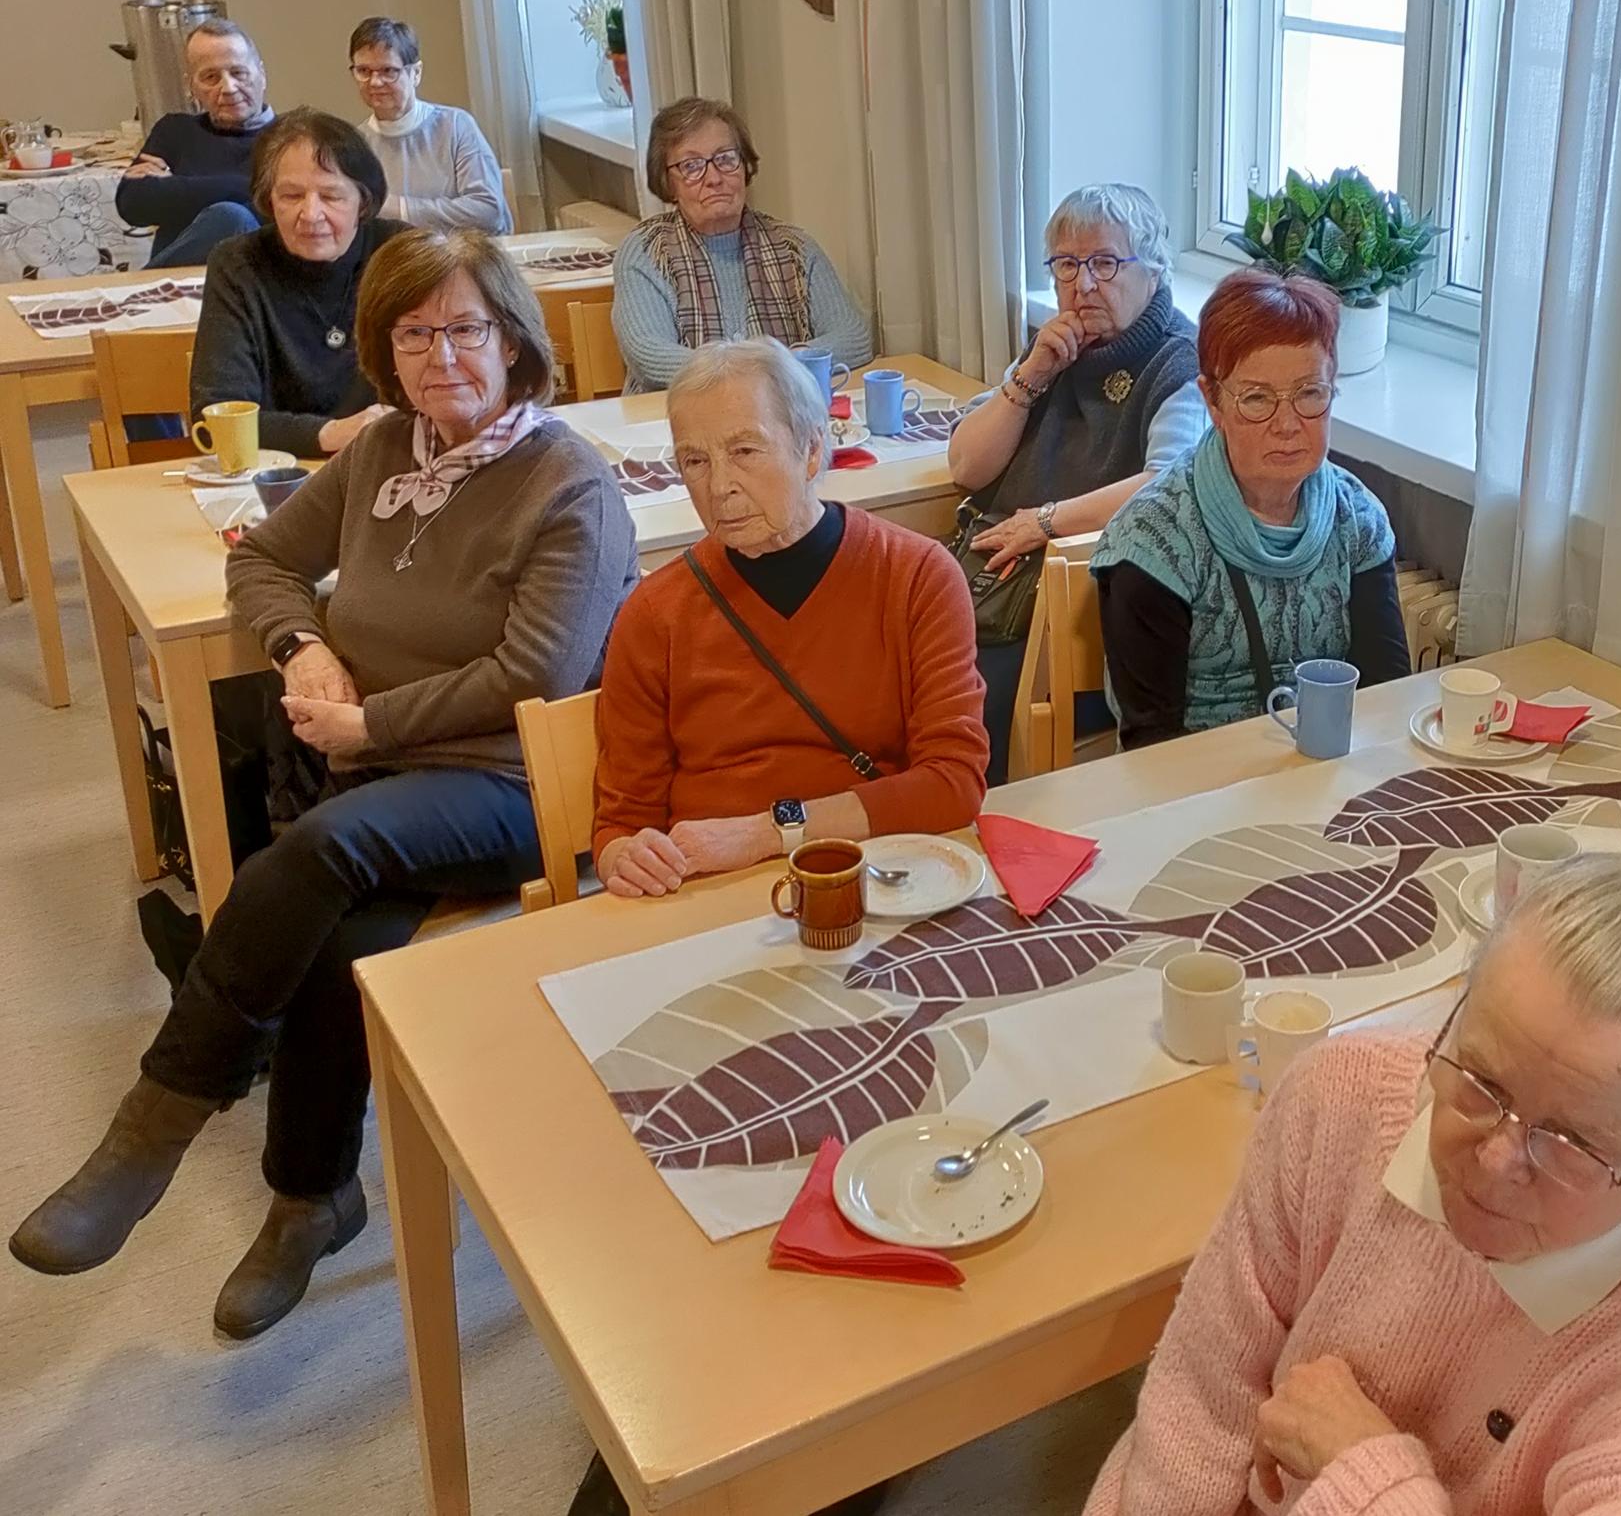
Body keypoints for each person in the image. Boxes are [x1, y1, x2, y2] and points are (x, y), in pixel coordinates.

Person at [10, 227, 638, 1338]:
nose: (440, 355)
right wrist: (301, 645)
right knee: (338, 940)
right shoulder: (386, 448)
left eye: (464, 329)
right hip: (384, 774)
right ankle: (314, 1197)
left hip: (509, 781)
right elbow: (259, 558)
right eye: (412, 334)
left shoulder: (567, 481)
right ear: (384, 351)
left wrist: (367, 721)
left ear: (513, 340)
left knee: (314, 851)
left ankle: (160, 1117)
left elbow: (534, 673)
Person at [1083, 855, 1621, 1515]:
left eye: (1572, 1144)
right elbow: (1206, 1382)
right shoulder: (1342, 1096)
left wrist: (1363, 1474)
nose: (1495, 1160)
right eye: (1481, 1081)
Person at [592, 337, 984, 897]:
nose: (719, 486)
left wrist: (766, 834)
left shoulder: (917, 577)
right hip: (709, 890)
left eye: (745, 451)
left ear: (812, 450)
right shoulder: (654, 615)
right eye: (695, 461)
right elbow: (621, 824)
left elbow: (954, 783)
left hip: (870, 877)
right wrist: (627, 857)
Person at [947, 183, 1209, 783]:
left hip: (1078, 607)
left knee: (959, 705)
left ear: (1153, 270)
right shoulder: (1055, 346)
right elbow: (966, 466)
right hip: (993, 579)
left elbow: (1165, 485)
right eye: (1066, 265)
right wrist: (1033, 374)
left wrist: (1046, 522)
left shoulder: (1180, 362)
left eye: (1105, 263)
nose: (1083, 284)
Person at [1092, 267, 1405, 748]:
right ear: (1213, 403)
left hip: (1333, 771)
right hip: (1192, 779)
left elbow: (1388, 699)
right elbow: (1151, 744)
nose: (1287, 424)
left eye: (1309, 393)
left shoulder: (1358, 520)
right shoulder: (1154, 542)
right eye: (1257, 399)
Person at [187, 109, 410, 459]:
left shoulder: (401, 255)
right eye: (291, 196)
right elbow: (217, 416)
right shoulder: (238, 264)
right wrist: (332, 433)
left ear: (363, 201)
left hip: (390, 462)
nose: (310, 215)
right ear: (269, 200)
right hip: (276, 476)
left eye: (331, 196)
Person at [610, 97, 872, 393]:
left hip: (778, 413)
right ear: (668, 183)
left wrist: (775, 364)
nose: (713, 178)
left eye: (725, 159)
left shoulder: (794, 247)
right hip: (676, 414)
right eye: (691, 166)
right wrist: (764, 368)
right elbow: (650, 357)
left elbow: (854, 338)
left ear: (745, 166)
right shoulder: (645, 252)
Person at [118, 16, 275, 268]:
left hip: (257, 277)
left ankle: (136, 285)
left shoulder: (291, 136)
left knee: (231, 217)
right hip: (178, 281)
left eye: (239, 73)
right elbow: (132, 203)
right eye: (211, 77)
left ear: (262, 75)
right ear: (191, 86)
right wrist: (256, 187)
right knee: (231, 214)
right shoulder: (175, 131)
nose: (229, 88)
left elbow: (279, 210)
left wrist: (173, 186)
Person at [348, 16, 512, 233]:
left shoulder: (455, 126)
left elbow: (489, 212)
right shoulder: (355, 145)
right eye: (364, 71)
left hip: (459, 252)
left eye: (388, 71)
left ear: (416, 73)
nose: (375, 82)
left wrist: (400, 209)